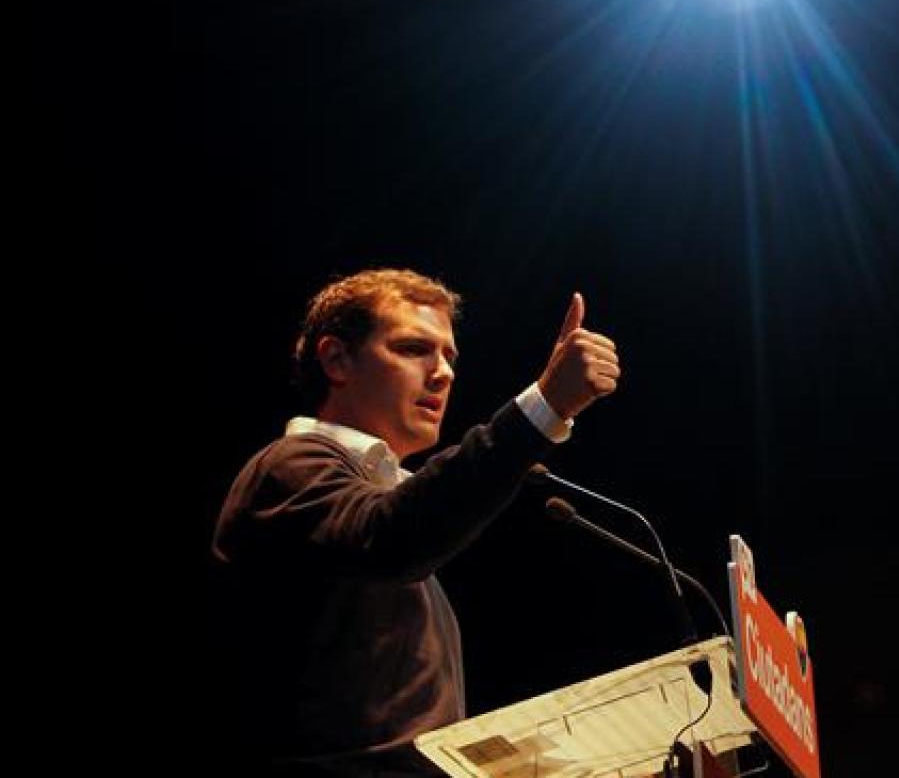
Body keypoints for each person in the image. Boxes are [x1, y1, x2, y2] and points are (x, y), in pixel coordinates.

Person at [211, 269, 620, 776]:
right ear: (336, 358)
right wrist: (542, 409)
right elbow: (394, 535)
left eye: (449, 356)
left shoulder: (384, 493)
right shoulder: (289, 469)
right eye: (412, 349)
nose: (443, 372)